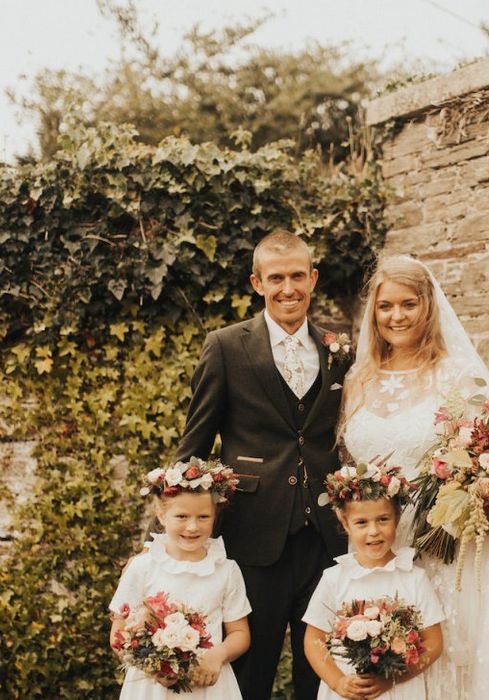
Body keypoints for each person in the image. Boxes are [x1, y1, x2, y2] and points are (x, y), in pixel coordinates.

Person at [340, 255, 489, 699]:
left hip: (447, 541)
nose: (396, 316)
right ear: (372, 313)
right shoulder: (358, 377)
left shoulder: (457, 375)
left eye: (408, 304)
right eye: (385, 306)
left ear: (428, 306)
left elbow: (488, 453)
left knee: (454, 650)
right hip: (380, 539)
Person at [174, 229, 350, 699]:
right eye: (276, 278)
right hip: (254, 537)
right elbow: (194, 445)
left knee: (322, 672)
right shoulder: (227, 345)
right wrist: (176, 533)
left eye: (297, 276)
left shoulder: (340, 349)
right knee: (251, 673)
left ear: (313, 278)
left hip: (326, 537)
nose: (288, 288)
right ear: (257, 282)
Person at [109, 458, 251, 699]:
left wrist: (218, 655)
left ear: (215, 516)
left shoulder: (226, 570)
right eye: (182, 516)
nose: (193, 527)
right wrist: (153, 665)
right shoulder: (143, 567)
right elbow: (118, 633)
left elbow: (240, 634)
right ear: (161, 515)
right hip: (152, 687)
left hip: (208, 686)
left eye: (203, 517)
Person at [303, 460, 444, 700]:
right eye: (361, 523)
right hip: (349, 688)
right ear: (345, 524)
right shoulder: (335, 578)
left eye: (383, 520)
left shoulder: (414, 578)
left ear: (397, 520)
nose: (373, 531)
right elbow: (313, 638)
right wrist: (338, 682)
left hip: (399, 689)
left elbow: (434, 643)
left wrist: (395, 678)